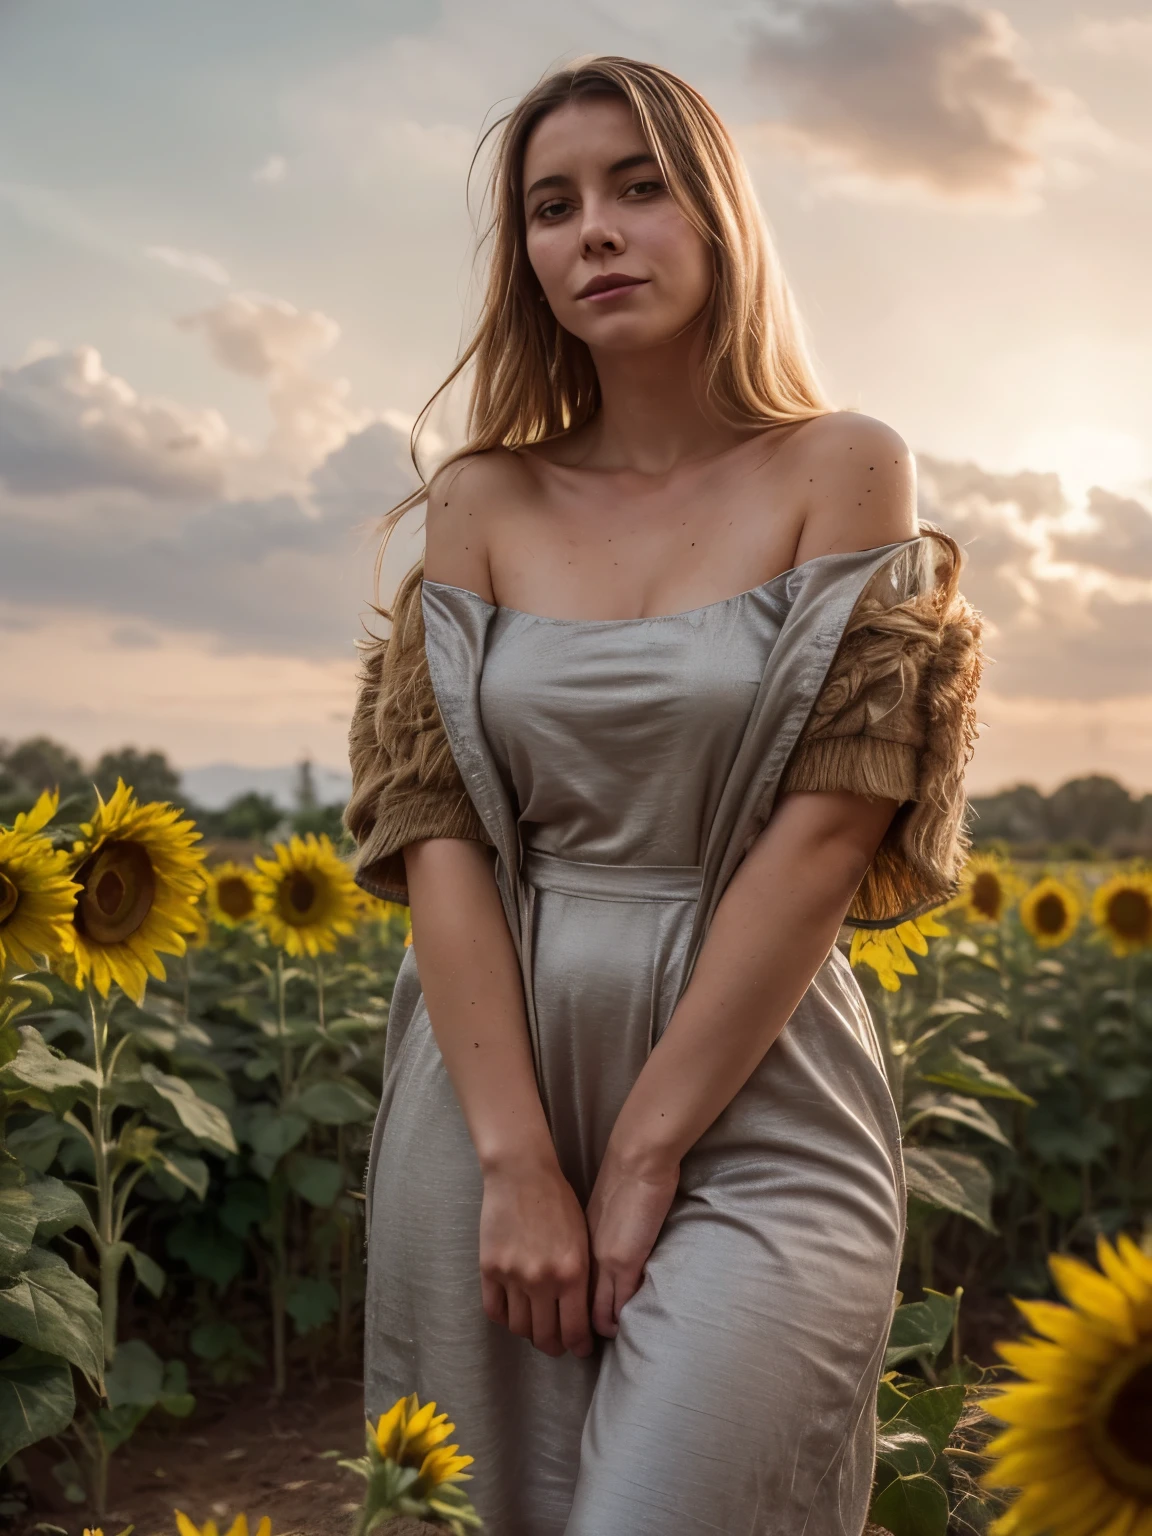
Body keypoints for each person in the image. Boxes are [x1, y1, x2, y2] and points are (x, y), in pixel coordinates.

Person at [344, 55, 983, 1536]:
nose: (598, 231)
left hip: (755, 1075)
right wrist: (517, 1161)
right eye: (553, 207)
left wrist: (643, 1153)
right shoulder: (480, 501)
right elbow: (434, 826)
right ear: (529, 262)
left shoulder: (846, 467)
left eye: (641, 185)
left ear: (720, 214)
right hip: (492, 1079)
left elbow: (834, 822)